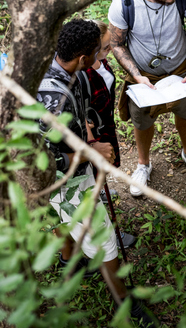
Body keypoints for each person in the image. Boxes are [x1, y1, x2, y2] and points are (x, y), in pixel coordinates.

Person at [37, 19, 157, 327]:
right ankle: (124, 303)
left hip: (75, 159)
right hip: (61, 179)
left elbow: (75, 115)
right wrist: (90, 153)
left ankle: (70, 261)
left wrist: (85, 130)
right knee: (104, 241)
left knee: (63, 221)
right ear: (82, 58)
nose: (99, 58)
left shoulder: (64, 69)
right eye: (97, 52)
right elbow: (46, 160)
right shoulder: (53, 100)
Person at [109, 0, 186, 194]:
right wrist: (135, 75)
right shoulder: (123, 3)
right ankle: (143, 165)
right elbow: (116, 44)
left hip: (182, 67)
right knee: (142, 120)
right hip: (143, 73)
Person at [81, 20, 136, 248]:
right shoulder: (80, 74)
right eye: (104, 48)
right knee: (91, 178)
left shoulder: (101, 63)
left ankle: (101, 189)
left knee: (103, 172)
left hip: (106, 127)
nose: (109, 51)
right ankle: (108, 232)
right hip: (92, 138)